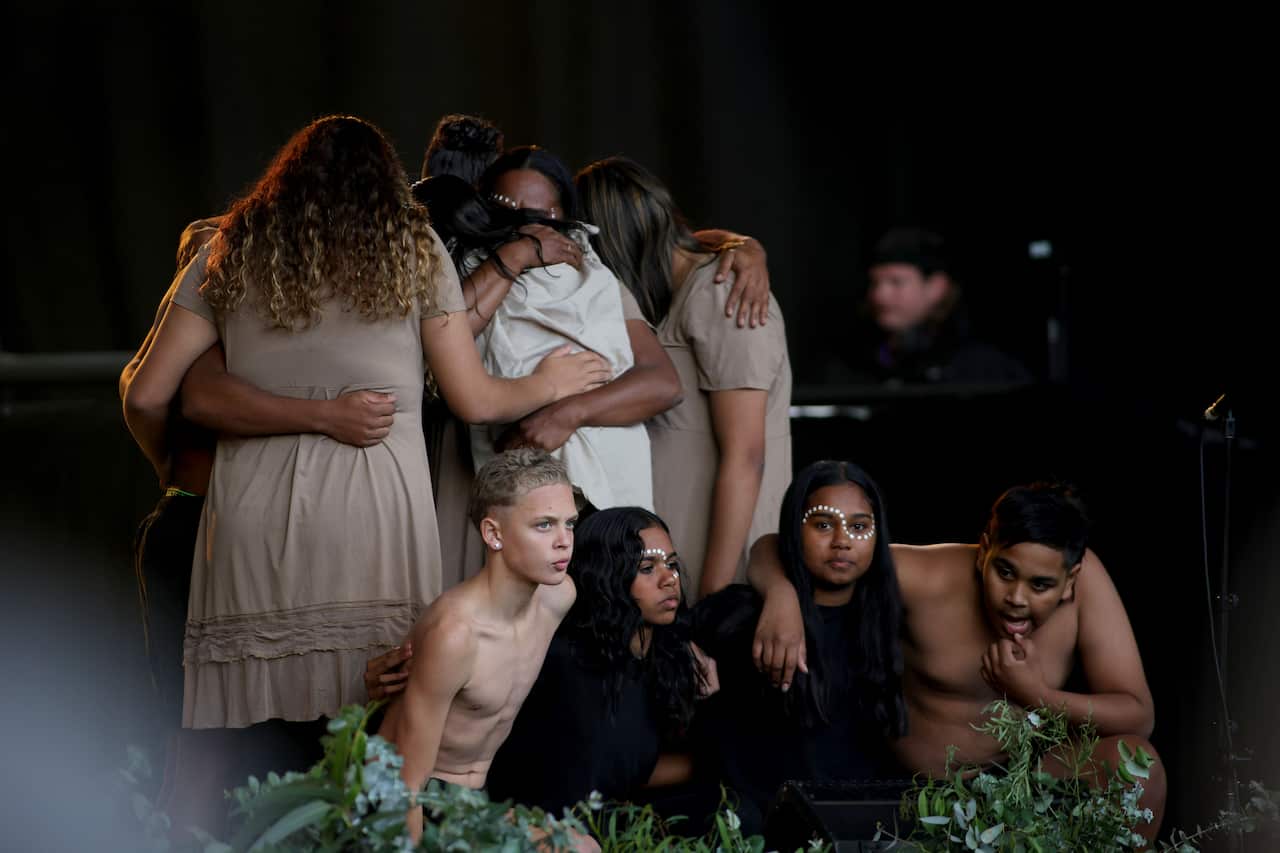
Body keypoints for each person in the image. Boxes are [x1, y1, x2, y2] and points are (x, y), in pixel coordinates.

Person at [120, 115, 609, 826]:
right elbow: (473, 398)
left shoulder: (232, 246)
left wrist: (171, 466)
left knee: (224, 742)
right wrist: (551, 381)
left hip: (250, 525)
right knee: (375, 735)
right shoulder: (413, 250)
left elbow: (145, 392)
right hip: (376, 516)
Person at [746, 481, 1166, 842]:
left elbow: (1137, 715)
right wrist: (781, 598)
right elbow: (770, 547)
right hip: (919, 798)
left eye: (1040, 585)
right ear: (984, 551)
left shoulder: (1086, 584)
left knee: (1135, 764)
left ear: (1070, 580)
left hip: (1026, 791)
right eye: (1004, 572)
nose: (1017, 598)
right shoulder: (925, 576)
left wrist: (1036, 695)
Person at [431, 145, 685, 581]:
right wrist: (516, 255)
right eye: (509, 213)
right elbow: (449, 334)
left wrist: (564, 414)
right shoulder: (466, 269)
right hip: (505, 476)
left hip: (590, 468)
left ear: (565, 216)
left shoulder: (594, 273)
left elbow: (662, 382)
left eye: (543, 216)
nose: (528, 226)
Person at [577, 156, 793, 601]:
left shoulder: (724, 291)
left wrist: (714, 594)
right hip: (676, 560)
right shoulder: (688, 288)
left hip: (720, 562)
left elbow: (746, 456)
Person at [691, 460, 907, 834]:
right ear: (795, 528)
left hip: (865, 828)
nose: (842, 540)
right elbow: (661, 638)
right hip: (756, 829)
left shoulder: (894, 622)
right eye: (823, 524)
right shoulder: (744, 614)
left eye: (859, 527)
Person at [375, 449, 580, 840]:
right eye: (544, 525)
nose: (563, 541)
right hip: (405, 796)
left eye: (569, 524)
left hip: (474, 798)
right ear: (494, 534)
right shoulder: (456, 634)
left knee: (582, 846)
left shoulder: (558, 598)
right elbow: (405, 779)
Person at [485, 506, 714, 820]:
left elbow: (631, 768)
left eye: (672, 564)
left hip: (608, 818)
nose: (669, 579)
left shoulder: (664, 658)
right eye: (647, 568)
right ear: (609, 577)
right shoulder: (569, 664)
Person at [824, 227, 1032, 386]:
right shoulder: (852, 364)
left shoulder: (984, 368)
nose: (880, 295)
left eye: (896, 282)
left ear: (936, 287)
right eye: (875, 283)